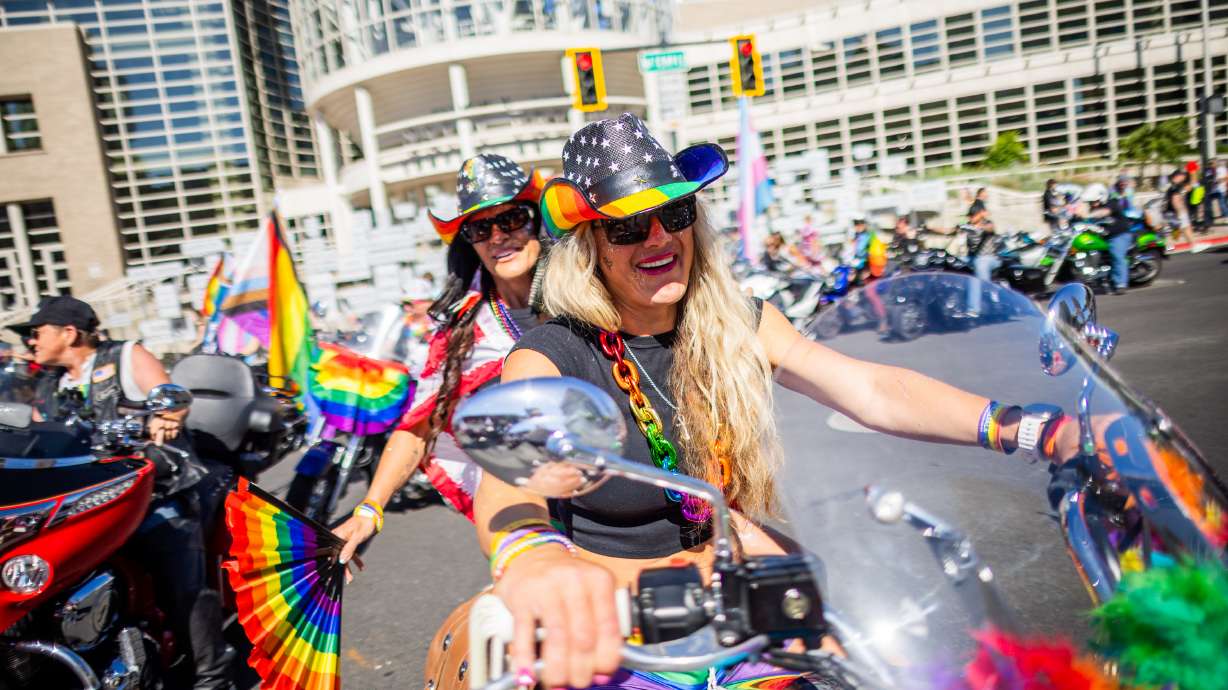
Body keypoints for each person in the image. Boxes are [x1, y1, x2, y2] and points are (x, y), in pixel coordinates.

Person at [448, 113, 1079, 690]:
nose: (659, 237)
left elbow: (871, 388)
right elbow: (508, 482)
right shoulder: (554, 352)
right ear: (591, 246)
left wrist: (1029, 429)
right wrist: (534, 559)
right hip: (623, 633)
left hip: (744, 604)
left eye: (675, 212)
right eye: (627, 225)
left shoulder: (732, 320)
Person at [333, 154, 547, 564]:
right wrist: (369, 508)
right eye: (481, 227)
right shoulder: (465, 327)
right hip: (525, 501)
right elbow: (419, 425)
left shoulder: (586, 292)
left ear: (538, 219)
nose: (499, 236)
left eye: (513, 219)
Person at [11, 296, 235, 690]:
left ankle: (212, 676)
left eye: (37, 332)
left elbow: (171, 396)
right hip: (84, 498)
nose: (32, 341)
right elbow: (31, 437)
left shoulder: (124, 356)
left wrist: (165, 419)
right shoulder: (46, 383)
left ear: (69, 332)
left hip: (154, 489)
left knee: (175, 561)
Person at [1099, 175, 1143, 294]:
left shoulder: (1115, 199)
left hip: (1121, 228)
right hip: (1112, 227)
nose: (1123, 184)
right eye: (1121, 182)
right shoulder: (1112, 193)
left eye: (1125, 182)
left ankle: (1121, 284)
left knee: (1117, 253)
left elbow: (1110, 210)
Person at [965, 187, 1000, 315]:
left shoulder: (988, 224)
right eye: (969, 215)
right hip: (972, 258)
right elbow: (949, 230)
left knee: (980, 264)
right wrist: (930, 229)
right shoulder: (968, 226)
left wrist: (980, 222)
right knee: (952, 262)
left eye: (972, 215)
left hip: (990, 258)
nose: (970, 218)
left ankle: (977, 306)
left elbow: (990, 228)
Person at [1164, 170, 1207, 253]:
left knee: (1181, 230)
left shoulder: (1174, 186)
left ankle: (1170, 247)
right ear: (1177, 176)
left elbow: (1185, 191)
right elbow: (1175, 200)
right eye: (1182, 176)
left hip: (1173, 212)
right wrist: (1179, 212)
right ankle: (1193, 246)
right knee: (1184, 229)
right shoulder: (1174, 187)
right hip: (1175, 212)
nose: (1183, 178)